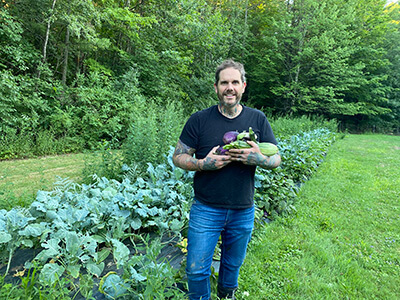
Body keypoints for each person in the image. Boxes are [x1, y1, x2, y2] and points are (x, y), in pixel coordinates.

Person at [172, 59, 281, 300]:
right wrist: (202, 164)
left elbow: (276, 159)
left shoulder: (258, 119)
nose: (229, 87)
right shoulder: (199, 120)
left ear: (243, 86)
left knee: (232, 265)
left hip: (243, 208)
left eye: (234, 82)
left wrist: (259, 159)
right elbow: (178, 156)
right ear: (216, 87)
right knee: (196, 269)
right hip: (206, 208)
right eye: (224, 83)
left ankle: (226, 296)